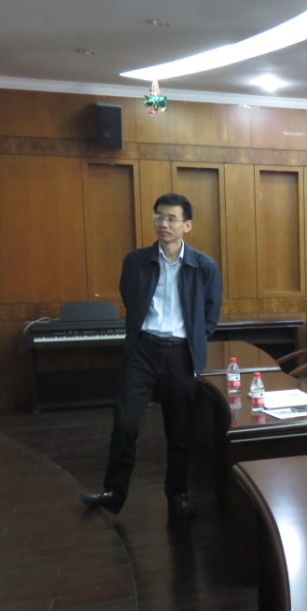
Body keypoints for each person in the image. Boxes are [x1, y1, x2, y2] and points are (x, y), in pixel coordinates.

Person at [80, 193, 222, 518]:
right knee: (125, 423)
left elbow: (211, 311)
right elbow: (130, 297)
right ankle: (114, 492)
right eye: (159, 216)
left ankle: (178, 496)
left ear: (187, 225)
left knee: (179, 431)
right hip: (143, 351)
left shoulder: (204, 265)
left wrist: (194, 340)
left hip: (180, 354)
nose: (163, 223)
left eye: (172, 218)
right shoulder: (135, 260)